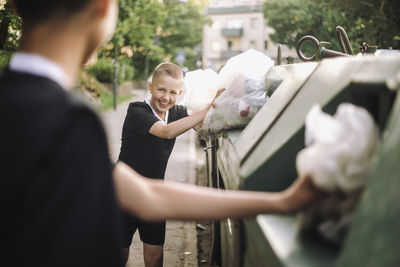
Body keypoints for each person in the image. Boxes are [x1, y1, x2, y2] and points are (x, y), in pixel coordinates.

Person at [0, 0, 325, 266]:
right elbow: (148, 196)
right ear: (102, 7)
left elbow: (147, 195)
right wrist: (281, 202)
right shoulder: (71, 118)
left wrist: (282, 201)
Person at [118, 62, 223, 267]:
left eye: (173, 92)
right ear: (150, 87)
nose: (166, 97)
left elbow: (201, 122)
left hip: (154, 194)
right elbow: (166, 132)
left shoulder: (176, 112)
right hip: (123, 194)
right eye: (161, 90)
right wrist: (209, 108)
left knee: (155, 257)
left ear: (180, 93)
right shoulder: (136, 111)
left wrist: (219, 102)